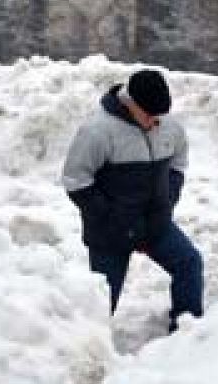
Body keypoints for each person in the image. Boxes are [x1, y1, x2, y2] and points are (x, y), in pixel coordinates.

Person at [61, 68, 204, 332]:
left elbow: (178, 164)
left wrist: (168, 200)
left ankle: (189, 332)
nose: (155, 123)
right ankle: (89, 351)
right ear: (130, 103)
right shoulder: (98, 131)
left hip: (155, 225)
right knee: (102, 299)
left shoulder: (168, 125)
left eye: (160, 116)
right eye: (149, 115)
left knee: (189, 263)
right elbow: (75, 179)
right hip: (110, 233)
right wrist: (114, 219)